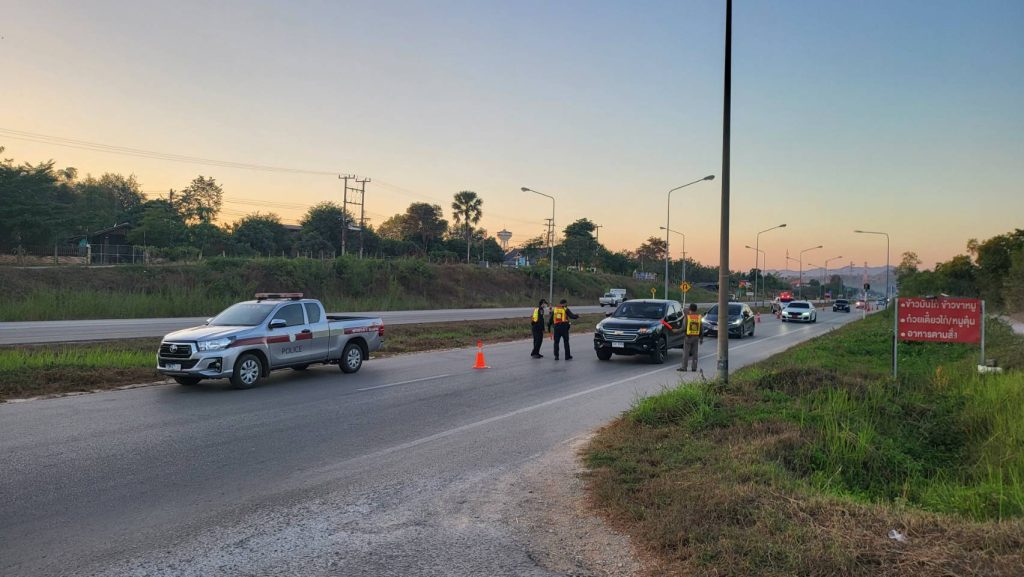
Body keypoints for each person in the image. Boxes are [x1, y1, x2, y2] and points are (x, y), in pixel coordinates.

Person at [677, 303, 703, 372]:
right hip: (696, 337)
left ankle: (684, 367)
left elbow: (683, 328)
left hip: (688, 337)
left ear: (689, 309)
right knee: (695, 353)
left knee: (686, 353)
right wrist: (701, 338)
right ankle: (694, 368)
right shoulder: (699, 317)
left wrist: (676, 331)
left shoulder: (687, 317)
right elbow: (701, 329)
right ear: (696, 309)